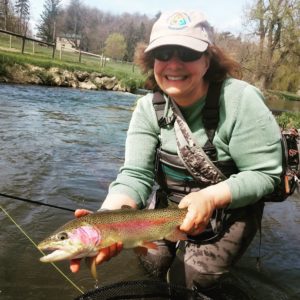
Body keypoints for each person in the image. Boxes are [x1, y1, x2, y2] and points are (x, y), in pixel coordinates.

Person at [70, 10, 282, 291]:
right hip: (168, 208)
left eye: (187, 53)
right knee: (151, 263)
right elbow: (135, 175)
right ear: (152, 60)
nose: (173, 64)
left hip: (231, 208)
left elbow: (265, 174)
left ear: (208, 59)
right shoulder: (148, 108)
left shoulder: (240, 100)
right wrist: (105, 221)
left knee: (195, 279)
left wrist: (210, 198)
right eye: (164, 53)